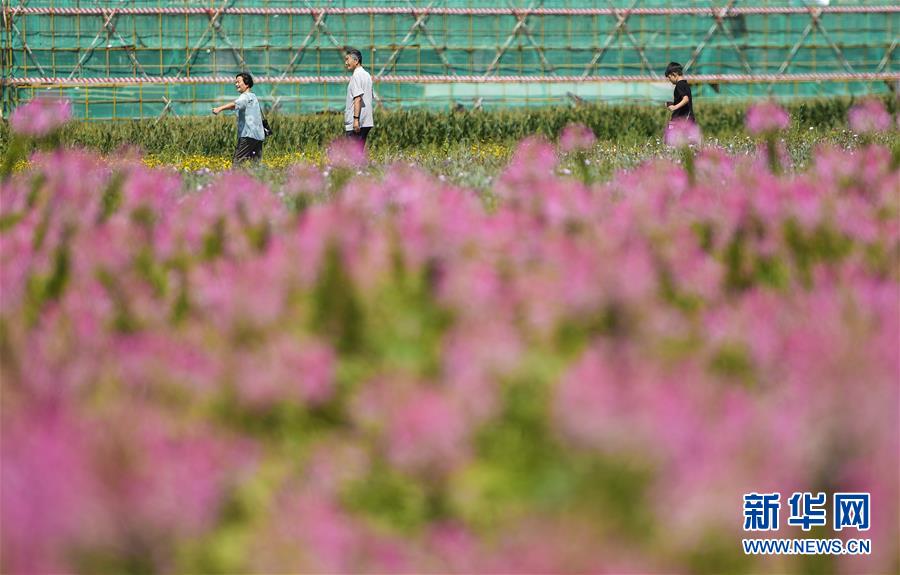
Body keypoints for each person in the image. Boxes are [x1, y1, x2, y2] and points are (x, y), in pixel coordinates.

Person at [212, 72, 265, 165]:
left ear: (247, 83)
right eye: (235, 82)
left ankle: (233, 179)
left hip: (248, 135)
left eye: (238, 82)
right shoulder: (253, 96)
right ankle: (264, 178)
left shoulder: (244, 97)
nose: (236, 84)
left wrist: (219, 108)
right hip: (258, 135)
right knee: (255, 164)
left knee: (237, 163)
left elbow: (235, 104)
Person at [343, 48, 374, 146]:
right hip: (366, 121)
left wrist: (356, 120)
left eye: (347, 59)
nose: (346, 63)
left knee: (352, 156)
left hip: (357, 122)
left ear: (356, 61)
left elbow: (358, 98)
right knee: (358, 154)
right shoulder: (367, 75)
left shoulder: (356, 76)